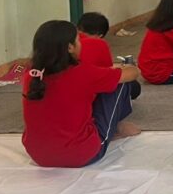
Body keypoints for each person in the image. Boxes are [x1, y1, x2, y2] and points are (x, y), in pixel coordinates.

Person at [22, 20, 141, 168]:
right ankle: (115, 128)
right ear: (70, 47)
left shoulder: (31, 75)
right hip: (80, 154)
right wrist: (129, 66)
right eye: (78, 40)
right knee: (120, 84)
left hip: (39, 156)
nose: (81, 44)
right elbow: (132, 73)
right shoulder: (82, 73)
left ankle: (111, 127)